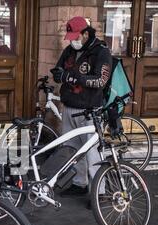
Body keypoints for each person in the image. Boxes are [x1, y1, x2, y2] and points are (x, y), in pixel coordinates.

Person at [50, 16, 112, 198]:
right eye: (71, 37)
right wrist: (62, 76)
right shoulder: (70, 50)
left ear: (86, 33)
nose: (73, 41)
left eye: (76, 37)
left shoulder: (101, 52)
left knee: (93, 153)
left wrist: (75, 78)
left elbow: (101, 80)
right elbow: (57, 71)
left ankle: (98, 192)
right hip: (69, 106)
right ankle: (79, 183)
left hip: (89, 110)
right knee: (73, 150)